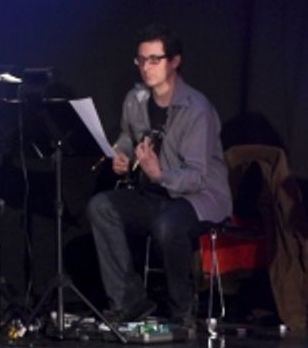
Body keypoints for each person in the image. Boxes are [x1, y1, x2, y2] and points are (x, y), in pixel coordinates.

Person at [87, 25, 232, 329]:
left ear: (174, 62)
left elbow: (196, 176)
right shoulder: (135, 99)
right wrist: (121, 155)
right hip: (158, 192)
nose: (147, 68)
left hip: (200, 198)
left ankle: (182, 311)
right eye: (142, 60)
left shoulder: (196, 110)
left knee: (167, 226)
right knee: (102, 206)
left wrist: (158, 173)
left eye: (155, 60)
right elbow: (128, 136)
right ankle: (130, 301)